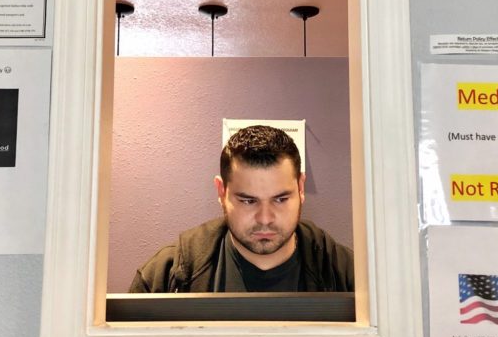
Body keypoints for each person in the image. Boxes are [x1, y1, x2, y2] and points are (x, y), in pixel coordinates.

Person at [129, 125, 354, 293]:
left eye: (281, 199)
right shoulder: (166, 276)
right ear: (221, 192)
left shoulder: (348, 276)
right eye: (248, 201)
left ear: (301, 188)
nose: (265, 218)